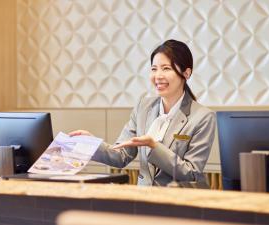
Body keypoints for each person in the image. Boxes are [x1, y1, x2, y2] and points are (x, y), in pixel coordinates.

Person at [69, 39, 216, 186]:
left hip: (179, 202)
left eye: (166, 68)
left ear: (186, 73)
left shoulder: (203, 117)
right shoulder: (143, 107)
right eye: (154, 69)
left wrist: (154, 147)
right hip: (143, 198)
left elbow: (192, 172)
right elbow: (121, 156)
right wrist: (90, 143)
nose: (158, 76)